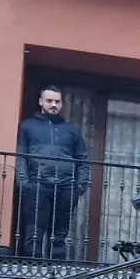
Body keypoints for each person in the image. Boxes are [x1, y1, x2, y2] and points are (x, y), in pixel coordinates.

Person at [15, 85, 91, 261]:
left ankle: (56, 269)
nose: (53, 104)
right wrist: (24, 183)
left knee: (60, 232)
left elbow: (83, 159)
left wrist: (79, 186)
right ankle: (32, 269)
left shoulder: (72, 130)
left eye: (57, 101)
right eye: (49, 101)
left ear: (62, 104)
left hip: (66, 186)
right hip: (37, 184)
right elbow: (21, 157)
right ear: (41, 102)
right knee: (34, 230)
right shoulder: (28, 126)